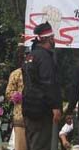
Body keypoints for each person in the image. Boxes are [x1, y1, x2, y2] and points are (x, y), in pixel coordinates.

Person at [22, 22, 62, 150]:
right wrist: (55, 106)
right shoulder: (45, 57)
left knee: (32, 143)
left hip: (29, 106)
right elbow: (48, 83)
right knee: (41, 144)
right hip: (42, 109)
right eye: (53, 37)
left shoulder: (30, 56)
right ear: (49, 39)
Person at [5, 63, 27, 150]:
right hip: (20, 116)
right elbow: (8, 93)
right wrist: (19, 96)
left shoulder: (42, 72)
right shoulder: (17, 73)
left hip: (39, 117)